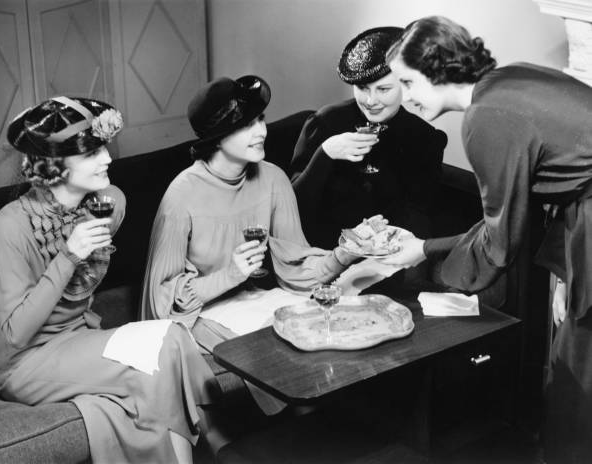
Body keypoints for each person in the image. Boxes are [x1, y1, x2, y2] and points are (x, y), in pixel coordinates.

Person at [383, 15, 592, 463]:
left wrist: (427, 262)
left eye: (407, 80)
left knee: (577, 385)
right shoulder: (507, 79)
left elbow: (500, 242)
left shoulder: (484, 118)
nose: (405, 96)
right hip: (582, 220)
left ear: (437, 67)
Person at [0, 96, 218, 463]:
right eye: (92, 153)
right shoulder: (10, 226)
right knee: (164, 346)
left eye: (103, 147)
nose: (107, 158)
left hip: (78, 340)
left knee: (160, 361)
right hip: (25, 362)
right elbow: (15, 334)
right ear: (53, 165)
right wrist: (68, 256)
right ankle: (219, 440)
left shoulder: (109, 203)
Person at [140, 75, 370, 413]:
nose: (261, 131)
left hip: (257, 300)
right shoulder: (181, 197)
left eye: (260, 119)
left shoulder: (273, 178)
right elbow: (160, 304)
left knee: (326, 329)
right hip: (200, 314)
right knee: (282, 364)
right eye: (247, 125)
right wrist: (230, 274)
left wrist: (343, 254)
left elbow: (295, 266)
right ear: (217, 137)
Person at [289, 26, 447, 284]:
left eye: (383, 89)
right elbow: (292, 209)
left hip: (388, 263)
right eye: (362, 88)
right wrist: (325, 154)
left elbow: (419, 216)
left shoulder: (425, 138)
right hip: (323, 260)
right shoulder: (325, 123)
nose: (371, 101)